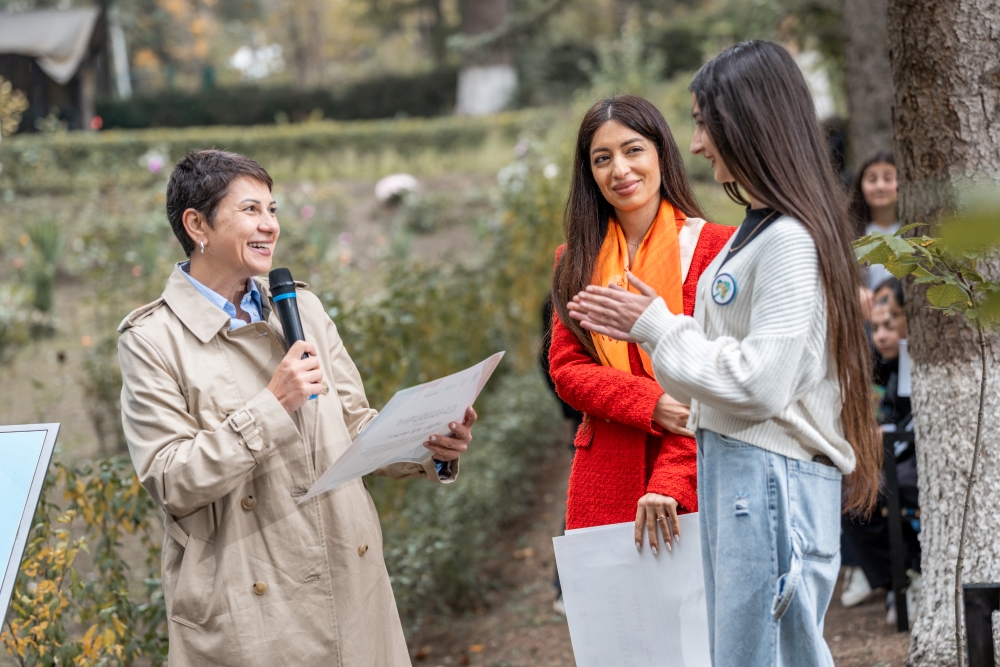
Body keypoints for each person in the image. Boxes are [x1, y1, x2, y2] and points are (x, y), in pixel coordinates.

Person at [566, 41, 882, 667]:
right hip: (741, 473)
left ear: (749, 122)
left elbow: (760, 384)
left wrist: (657, 329)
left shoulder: (788, 241)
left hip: (769, 477)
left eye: (705, 122)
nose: (700, 141)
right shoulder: (756, 233)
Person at [117, 150, 477, 666]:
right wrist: (273, 403)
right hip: (250, 604)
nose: (270, 225)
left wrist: (431, 445)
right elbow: (172, 479)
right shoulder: (152, 339)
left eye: (273, 209)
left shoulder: (300, 306)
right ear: (196, 224)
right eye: (251, 211)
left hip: (348, 579)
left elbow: (356, 425)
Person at [548, 94, 735, 557]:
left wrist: (673, 478)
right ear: (589, 173)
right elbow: (567, 370)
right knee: (616, 624)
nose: (620, 170)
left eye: (633, 150)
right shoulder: (575, 260)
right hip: (604, 473)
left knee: (698, 625)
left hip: (695, 467)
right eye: (602, 158)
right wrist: (652, 404)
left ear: (660, 153)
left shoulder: (715, 248)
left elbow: (715, 385)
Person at [841, 279, 921, 622]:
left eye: (891, 323)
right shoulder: (885, 359)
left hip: (916, 460)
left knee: (882, 491)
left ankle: (916, 571)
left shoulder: (921, 356)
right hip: (898, 457)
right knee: (855, 498)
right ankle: (899, 583)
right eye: (875, 327)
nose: (881, 336)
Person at [849, 150, 899, 290]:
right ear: (861, 185)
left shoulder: (915, 232)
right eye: (872, 179)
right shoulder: (849, 235)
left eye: (888, 178)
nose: (880, 186)